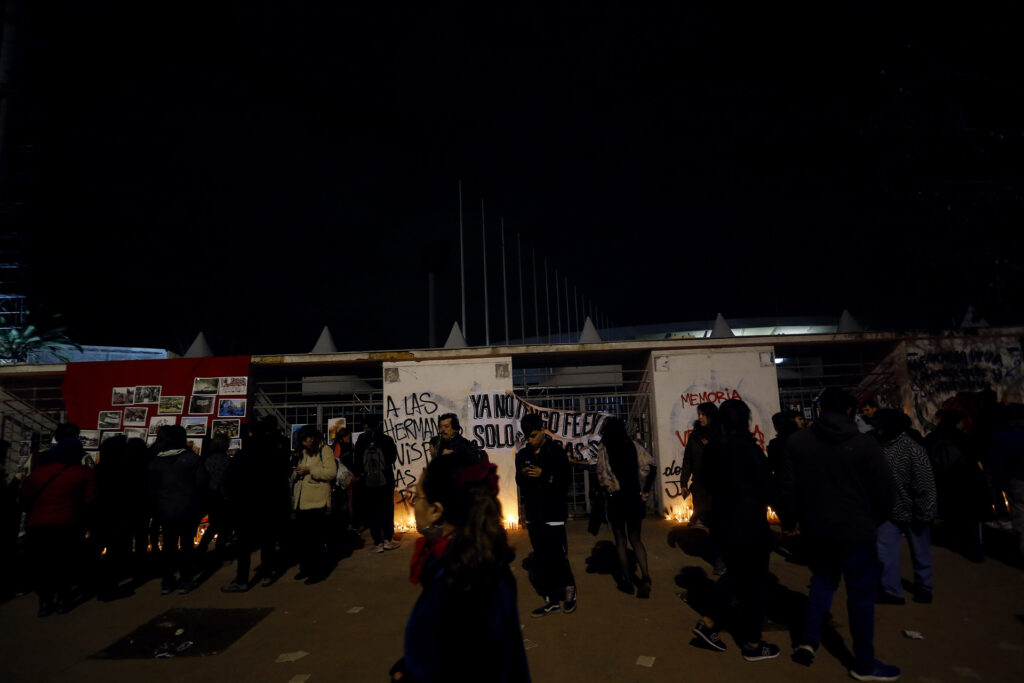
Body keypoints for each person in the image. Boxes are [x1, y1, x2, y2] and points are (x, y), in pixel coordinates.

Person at [780, 388, 899, 681]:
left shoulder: (798, 442)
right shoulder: (864, 444)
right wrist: (873, 519)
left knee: (822, 582)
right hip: (857, 530)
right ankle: (864, 663)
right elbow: (886, 492)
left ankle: (808, 639)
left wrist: (792, 519)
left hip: (818, 529)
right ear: (850, 411)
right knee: (860, 595)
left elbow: (786, 488)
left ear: (819, 410)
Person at [389, 457, 530, 682]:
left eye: (418, 498)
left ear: (436, 511)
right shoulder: (481, 558)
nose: (415, 505)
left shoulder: (454, 581)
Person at [691, 399, 780, 662]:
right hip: (748, 524)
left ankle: (707, 623)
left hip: (723, 523)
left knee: (737, 575)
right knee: (754, 583)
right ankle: (752, 643)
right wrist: (788, 517)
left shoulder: (714, 447)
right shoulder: (747, 448)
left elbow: (706, 480)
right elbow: (766, 484)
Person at [21, 430, 96, 616]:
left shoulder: (39, 473)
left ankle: (44, 601)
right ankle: (63, 598)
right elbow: (91, 499)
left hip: (37, 525)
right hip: (68, 524)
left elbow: (24, 499)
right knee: (64, 562)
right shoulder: (83, 473)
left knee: (42, 564)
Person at [872, 409, 937, 605]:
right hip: (891, 510)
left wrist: (924, 512)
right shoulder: (881, 447)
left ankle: (923, 587)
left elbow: (925, 485)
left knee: (919, 552)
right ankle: (894, 590)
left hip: (912, 511)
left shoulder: (912, 450)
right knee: (887, 553)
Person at [516, 413, 577, 616]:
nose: (530, 440)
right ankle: (551, 599)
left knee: (558, 556)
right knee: (541, 559)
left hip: (554, 512)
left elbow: (566, 480)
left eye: (533, 435)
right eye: (527, 437)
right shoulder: (522, 455)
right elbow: (519, 481)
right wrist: (525, 476)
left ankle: (569, 592)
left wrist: (546, 476)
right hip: (534, 514)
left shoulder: (556, 452)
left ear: (542, 430)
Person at [223, 419, 292, 591]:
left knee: (244, 545)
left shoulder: (243, 455)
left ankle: (242, 579)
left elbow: (230, 480)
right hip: (269, 504)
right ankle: (268, 574)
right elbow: (282, 479)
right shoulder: (275, 454)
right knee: (268, 541)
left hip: (246, 505)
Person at [595, 417, 655, 597]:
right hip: (634, 497)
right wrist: (645, 490)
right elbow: (651, 468)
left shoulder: (605, 449)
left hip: (616, 499)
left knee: (620, 540)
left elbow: (601, 477)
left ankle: (627, 581)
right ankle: (645, 577)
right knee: (636, 539)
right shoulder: (633, 446)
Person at [148, 424, 208, 595]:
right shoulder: (191, 459)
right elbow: (202, 483)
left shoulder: (155, 463)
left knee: (168, 546)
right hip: (188, 510)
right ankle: (186, 580)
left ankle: (167, 581)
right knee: (187, 545)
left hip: (165, 511)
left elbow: (150, 489)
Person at [925, 409, 990, 563]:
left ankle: (956, 543)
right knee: (972, 518)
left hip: (946, 484)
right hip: (968, 483)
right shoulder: (964, 439)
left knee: (953, 515)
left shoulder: (933, 438)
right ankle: (975, 549)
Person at [290, 425, 337, 584]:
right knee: (303, 539)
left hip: (317, 500)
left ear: (313, 437)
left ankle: (319, 571)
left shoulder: (325, 451)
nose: (304, 443)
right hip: (302, 501)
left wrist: (310, 469)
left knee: (316, 539)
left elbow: (331, 473)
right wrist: (297, 473)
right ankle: (306, 568)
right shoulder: (304, 451)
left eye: (306, 440)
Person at [93, 435, 138, 601]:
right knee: (116, 553)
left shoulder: (99, 470)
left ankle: (100, 585)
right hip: (118, 516)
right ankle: (109, 587)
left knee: (102, 551)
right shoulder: (125, 470)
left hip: (101, 516)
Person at [354, 415, 400, 552]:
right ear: (379, 424)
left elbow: (357, 461)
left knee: (372, 509)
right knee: (387, 509)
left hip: (368, 481)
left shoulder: (361, 440)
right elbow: (392, 458)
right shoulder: (387, 439)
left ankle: (377, 542)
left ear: (365, 426)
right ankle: (387, 539)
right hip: (385, 479)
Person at [991, 403, 1024, 565]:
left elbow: (999, 462)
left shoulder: (1003, 436)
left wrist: (1001, 482)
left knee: (1021, 514)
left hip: (1017, 479)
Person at [680, 402, 718, 529]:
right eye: (699, 414)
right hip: (699, 485)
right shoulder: (695, 436)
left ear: (711, 416)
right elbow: (687, 460)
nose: (700, 417)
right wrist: (683, 484)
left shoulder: (720, 435)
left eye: (703, 414)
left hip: (717, 486)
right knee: (702, 519)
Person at [196, 434, 232, 564]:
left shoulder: (207, 460)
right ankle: (219, 553)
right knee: (223, 527)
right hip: (223, 496)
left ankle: (201, 550)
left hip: (210, 496)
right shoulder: (227, 460)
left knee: (214, 525)